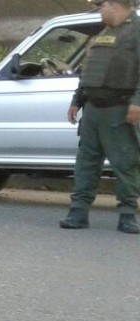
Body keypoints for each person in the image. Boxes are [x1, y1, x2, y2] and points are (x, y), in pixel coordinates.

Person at [60, 0, 140, 234]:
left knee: (125, 163)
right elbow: (89, 70)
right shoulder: (103, 32)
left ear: (115, 5)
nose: (98, 10)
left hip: (119, 109)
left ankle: (127, 214)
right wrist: (77, 100)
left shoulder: (136, 31)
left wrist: (137, 103)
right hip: (92, 111)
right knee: (85, 163)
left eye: (101, 5)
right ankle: (78, 212)